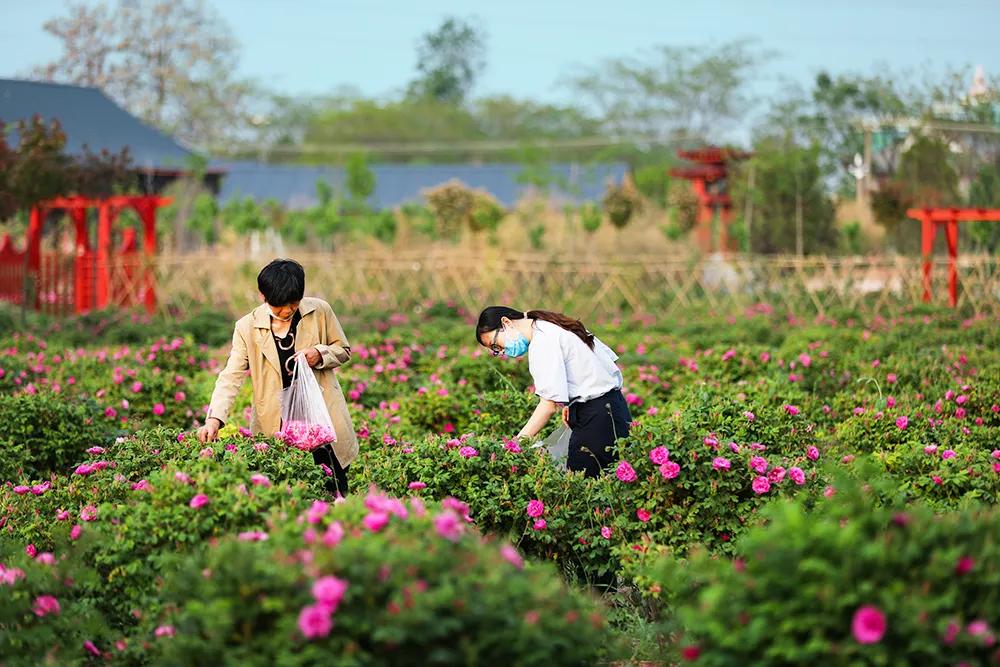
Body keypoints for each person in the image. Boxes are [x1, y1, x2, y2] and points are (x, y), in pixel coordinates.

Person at [197, 259, 357, 497]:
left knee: (333, 488)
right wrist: (214, 419)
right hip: (277, 425)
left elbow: (343, 349)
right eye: (279, 306)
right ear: (263, 296)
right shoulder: (247, 327)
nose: (287, 311)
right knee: (287, 492)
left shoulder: (319, 311)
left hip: (321, 419)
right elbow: (231, 376)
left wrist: (320, 354)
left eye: (293, 304)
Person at [475, 306, 631, 478]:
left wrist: (515, 444)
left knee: (582, 490)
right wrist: (572, 403)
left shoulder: (542, 341)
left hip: (597, 420)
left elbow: (547, 406)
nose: (501, 352)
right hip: (613, 409)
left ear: (506, 323)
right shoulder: (550, 325)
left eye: (495, 346)